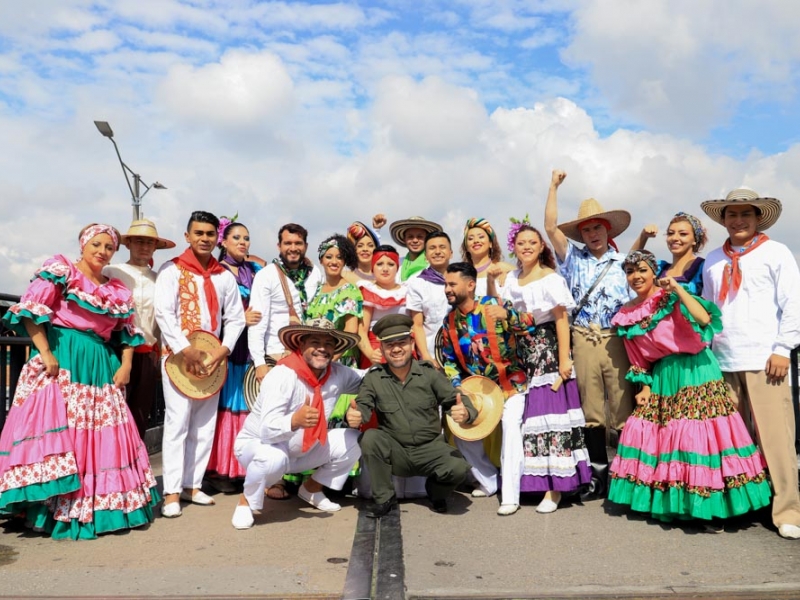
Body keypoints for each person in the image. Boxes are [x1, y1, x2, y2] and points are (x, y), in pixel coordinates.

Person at [0, 224, 159, 539]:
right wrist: (45, 352)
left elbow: (126, 333)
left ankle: (94, 505)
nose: (102, 251)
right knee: (64, 434)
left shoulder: (116, 290)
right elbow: (31, 312)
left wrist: (126, 365)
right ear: (83, 245)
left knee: (99, 435)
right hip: (65, 358)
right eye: (96, 244)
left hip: (99, 363)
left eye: (108, 247)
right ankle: (47, 509)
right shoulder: (63, 271)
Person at [608, 251, 771, 527]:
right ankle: (679, 504)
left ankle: (711, 506)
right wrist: (644, 385)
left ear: (653, 273)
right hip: (665, 376)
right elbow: (636, 356)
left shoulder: (669, 297)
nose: (636, 276)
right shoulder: (626, 315)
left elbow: (705, 320)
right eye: (630, 271)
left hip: (696, 369)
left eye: (643, 270)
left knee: (698, 437)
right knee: (668, 439)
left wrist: (678, 290)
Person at [700, 188, 800, 540]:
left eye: (745, 214)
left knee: (776, 439)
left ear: (758, 218)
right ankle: (743, 505)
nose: (738, 220)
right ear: (723, 220)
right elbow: (710, 312)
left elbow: (794, 302)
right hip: (724, 359)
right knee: (733, 442)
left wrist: (783, 347)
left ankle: (788, 509)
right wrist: (707, 354)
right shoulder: (713, 259)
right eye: (731, 214)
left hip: (764, 358)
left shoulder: (776, 253)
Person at [543, 168, 635, 499]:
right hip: (583, 336)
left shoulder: (625, 262)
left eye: (598, 227)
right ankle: (597, 473)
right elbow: (551, 228)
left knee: (623, 409)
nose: (593, 233)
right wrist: (553, 187)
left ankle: (627, 474)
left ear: (607, 230)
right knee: (591, 411)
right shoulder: (572, 259)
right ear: (581, 234)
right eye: (587, 229)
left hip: (616, 338)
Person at [489, 221, 591, 513]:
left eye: (533, 242)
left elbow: (560, 320)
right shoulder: (512, 278)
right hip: (521, 354)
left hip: (546, 350)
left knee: (551, 418)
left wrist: (564, 359)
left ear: (542, 246)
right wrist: (492, 279)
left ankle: (555, 489)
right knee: (531, 422)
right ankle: (534, 483)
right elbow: (499, 309)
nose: (527, 247)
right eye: (521, 243)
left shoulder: (550, 278)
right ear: (514, 248)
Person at [230, 319, 363, 530]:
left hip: (301, 451)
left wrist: (398, 368)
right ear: (301, 345)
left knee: (353, 441)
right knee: (273, 458)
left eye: (328, 344)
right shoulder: (283, 375)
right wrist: (294, 421)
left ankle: (311, 489)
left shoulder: (337, 373)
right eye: (315, 341)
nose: (322, 348)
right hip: (260, 447)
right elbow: (267, 430)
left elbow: (369, 380)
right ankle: (246, 500)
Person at [155, 211, 246, 518]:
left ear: (215, 237)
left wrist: (224, 349)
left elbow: (235, 317)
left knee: (205, 425)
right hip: (177, 358)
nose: (205, 239)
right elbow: (164, 314)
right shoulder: (171, 271)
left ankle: (192, 486)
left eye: (210, 234)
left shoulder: (224, 276)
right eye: (199, 233)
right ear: (187, 236)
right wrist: (184, 349)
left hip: (212, 360)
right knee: (178, 423)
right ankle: (170, 491)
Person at [347, 315, 476, 517]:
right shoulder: (374, 378)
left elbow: (455, 399)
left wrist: (466, 412)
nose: (396, 349)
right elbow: (362, 405)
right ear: (381, 349)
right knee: (370, 437)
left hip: (430, 449)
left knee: (458, 468)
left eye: (401, 343)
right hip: (396, 450)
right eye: (389, 345)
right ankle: (384, 498)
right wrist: (355, 415)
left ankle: (436, 492)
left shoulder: (429, 374)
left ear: (412, 343)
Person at [441, 262, 536, 516]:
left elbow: (531, 325)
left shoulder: (495, 305)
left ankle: (511, 495)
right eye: (446, 285)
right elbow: (448, 359)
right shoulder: (449, 321)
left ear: (470, 285)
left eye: (452, 284)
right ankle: (490, 481)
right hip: (478, 392)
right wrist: (457, 387)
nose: (447, 289)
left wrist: (510, 316)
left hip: (511, 386)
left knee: (510, 428)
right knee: (460, 428)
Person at [205, 219, 265, 492]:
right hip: (229, 348)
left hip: (252, 349)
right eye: (237, 237)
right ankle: (220, 470)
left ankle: (244, 468)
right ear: (223, 241)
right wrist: (241, 317)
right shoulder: (216, 273)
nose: (243, 242)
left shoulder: (255, 270)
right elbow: (211, 311)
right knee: (228, 406)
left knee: (249, 405)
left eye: (247, 238)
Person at [103, 218, 176, 439]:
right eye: (139, 241)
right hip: (114, 351)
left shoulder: (161, 279)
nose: (144, 247)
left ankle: (136, 467)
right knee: (110, 412)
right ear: (128, 244)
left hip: (147, 354)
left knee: (140, 414)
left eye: (149, 243)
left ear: (155, 247)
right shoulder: (111, 271)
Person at [248, 223, 322, 383]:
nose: (293, 248)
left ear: (306, 246)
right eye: (288, 243)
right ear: (279, 246)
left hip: (309, 356)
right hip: (277, 355)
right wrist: (259, 362)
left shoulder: (314, 273)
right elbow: (257, 322)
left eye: (298, 243)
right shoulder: (267, 275)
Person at [406, 230, 453, 364]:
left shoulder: (462, 277)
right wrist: (426, 356)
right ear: (426, 255)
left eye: (442, 247)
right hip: (433, 353)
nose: (437, 251)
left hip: (463, 351)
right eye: (432, 248)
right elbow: (417, 324)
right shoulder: (417, 282)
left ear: (451, 253)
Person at [633, 212, 708, 295]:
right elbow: (630, 264)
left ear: (695, 240)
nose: (674, 238)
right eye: (670, 233)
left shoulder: (704, 268)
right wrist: (643, 236)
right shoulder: (659, 269)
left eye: (683, 234)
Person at [358, 244, 407, 367]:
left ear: (397, 267)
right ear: (372, 268)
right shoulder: (367, 290)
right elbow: (361, 331)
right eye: (379, 264)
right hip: (377, 351)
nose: (385, 269)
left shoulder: (409, 291)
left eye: (390, 264)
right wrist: (370, 354)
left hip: (405, 350)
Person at [460, 218, 514, 296]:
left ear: (490, 243)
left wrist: (508, 272)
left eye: (481, 237)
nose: (476, 241)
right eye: (470, 238)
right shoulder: (462, 274)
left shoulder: (502, 268)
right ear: (466, 247)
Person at [388, 216, 442, 281]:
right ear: (404, 239)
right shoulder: (397, 263)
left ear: (427, 239)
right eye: (410, 237)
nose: (415, 240)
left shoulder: (433, 264)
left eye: (420, 236)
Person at [344, 220, 381, 285]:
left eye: (370, 245)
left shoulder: (385, 278)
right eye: (360, 246)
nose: (365, 249)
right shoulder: (344, 277)